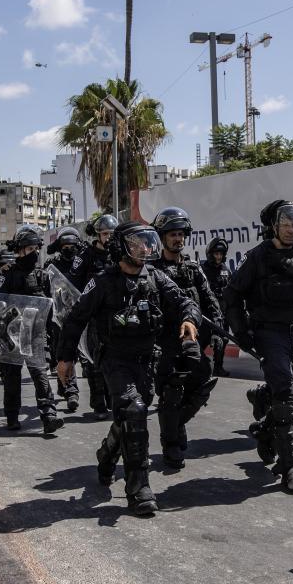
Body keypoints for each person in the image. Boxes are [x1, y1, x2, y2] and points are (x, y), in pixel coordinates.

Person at [56, 221, 198, 516]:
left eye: (147, 242)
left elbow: (185, 301)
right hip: (115, 359)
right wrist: (65, 359)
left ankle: (107, 455)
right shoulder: (102, 282)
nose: (145, 248)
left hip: (147, 359)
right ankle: (138, 487)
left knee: (130, 415)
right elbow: (74, 320)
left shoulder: (156, 277)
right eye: (137, 243)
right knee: (134, 410)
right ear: (121, 247)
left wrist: (188, 320)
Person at [223, 200, 293, 494]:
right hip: (268, 333)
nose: (291, 230)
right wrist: (241, 332)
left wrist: (289, 263)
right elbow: (232, 294)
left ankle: (264, 421)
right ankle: (290, 467)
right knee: (286, 392)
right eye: (285, 225)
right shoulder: (257, 257)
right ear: (274, 225)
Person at [150, 208, 224, 469]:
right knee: (170, 393)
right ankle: (171, 444)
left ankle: (176, 424)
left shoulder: (193, 269)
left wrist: (216, 333)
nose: (177, 239)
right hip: (166, 342)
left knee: (202, 385)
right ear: (162, 237)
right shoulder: (151, 271)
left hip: (194, 342)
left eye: (181, 234)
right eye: (172, 234)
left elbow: (211, 302)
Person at [0, 227, 65, 433]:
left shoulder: (42, 276)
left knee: (40, 376)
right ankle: (12, 417)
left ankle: (49, 415)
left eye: (35, 248)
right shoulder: (8, 275)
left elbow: (53, 306)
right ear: (20, 251)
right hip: (12, 335)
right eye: (29, 248)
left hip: (34, 334)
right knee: (12, 379)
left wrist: (49, 332)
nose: (33, 252)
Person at [67, 214, 118, 418]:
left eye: (112, 234)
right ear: (97, 235)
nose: (108, 238)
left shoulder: (119, 254)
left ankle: (115, 400)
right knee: (95, 362)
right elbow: (72, 283)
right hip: (93, 317)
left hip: (114, 315)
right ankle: (98, 404)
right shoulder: (85, 255)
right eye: (105, 234)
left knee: (114, 360)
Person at [45, 226, 85, 408]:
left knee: (78, 353)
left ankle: (70, 391)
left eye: (72, 245)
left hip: (82, 314)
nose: (69, 249)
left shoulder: (84, 264)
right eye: (65, 245)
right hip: (59, 318)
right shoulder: (52, 267)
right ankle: (68, 388)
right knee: (62, 354)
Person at [200, 237, 231, 377]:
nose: (218, 256)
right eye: (216, 253)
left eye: (221, 254)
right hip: (207, 313)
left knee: (222, 341)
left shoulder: (225, 270)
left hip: (222, 313)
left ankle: (218, 367)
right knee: (203, 340)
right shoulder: (202, 269)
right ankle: (196, 365)